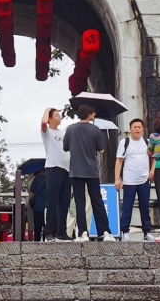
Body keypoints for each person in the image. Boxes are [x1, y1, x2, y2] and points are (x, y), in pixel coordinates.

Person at [62, 100, 112, 241]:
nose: (94, 114)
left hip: (76, 171)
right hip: (91, 170)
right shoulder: (95, 130)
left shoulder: (70, 129)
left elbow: (65, 147)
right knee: (97, 200)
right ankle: (105, 232)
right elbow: (101, 150)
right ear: (89, 114)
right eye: (93, 112)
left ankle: (82, 232)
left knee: (79, 201)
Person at [114, 117, 153, 241]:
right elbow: (119, 161)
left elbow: (155, 158)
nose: (137, 129)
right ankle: (125, 231)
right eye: (135, 127)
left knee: (144, 206)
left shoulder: (147, 142)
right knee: (127, 207)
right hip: (129, 181)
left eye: (139, 127)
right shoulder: (124, 142)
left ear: (143, 129)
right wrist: (117, 178)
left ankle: (147, 232)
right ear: (130, 129)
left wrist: (152, 171)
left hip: (144, 180)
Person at [39, 107, 70, 241]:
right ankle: (49, 232)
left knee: (64, 201)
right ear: (50, 118)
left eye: (60, 115)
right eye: (56, 115)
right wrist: (47, 109)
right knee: (52, 201)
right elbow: (43, 123)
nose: (60, 117)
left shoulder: (65, 132)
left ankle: (61, 232)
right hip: (53, 167)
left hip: (67, 169)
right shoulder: (47, 132)